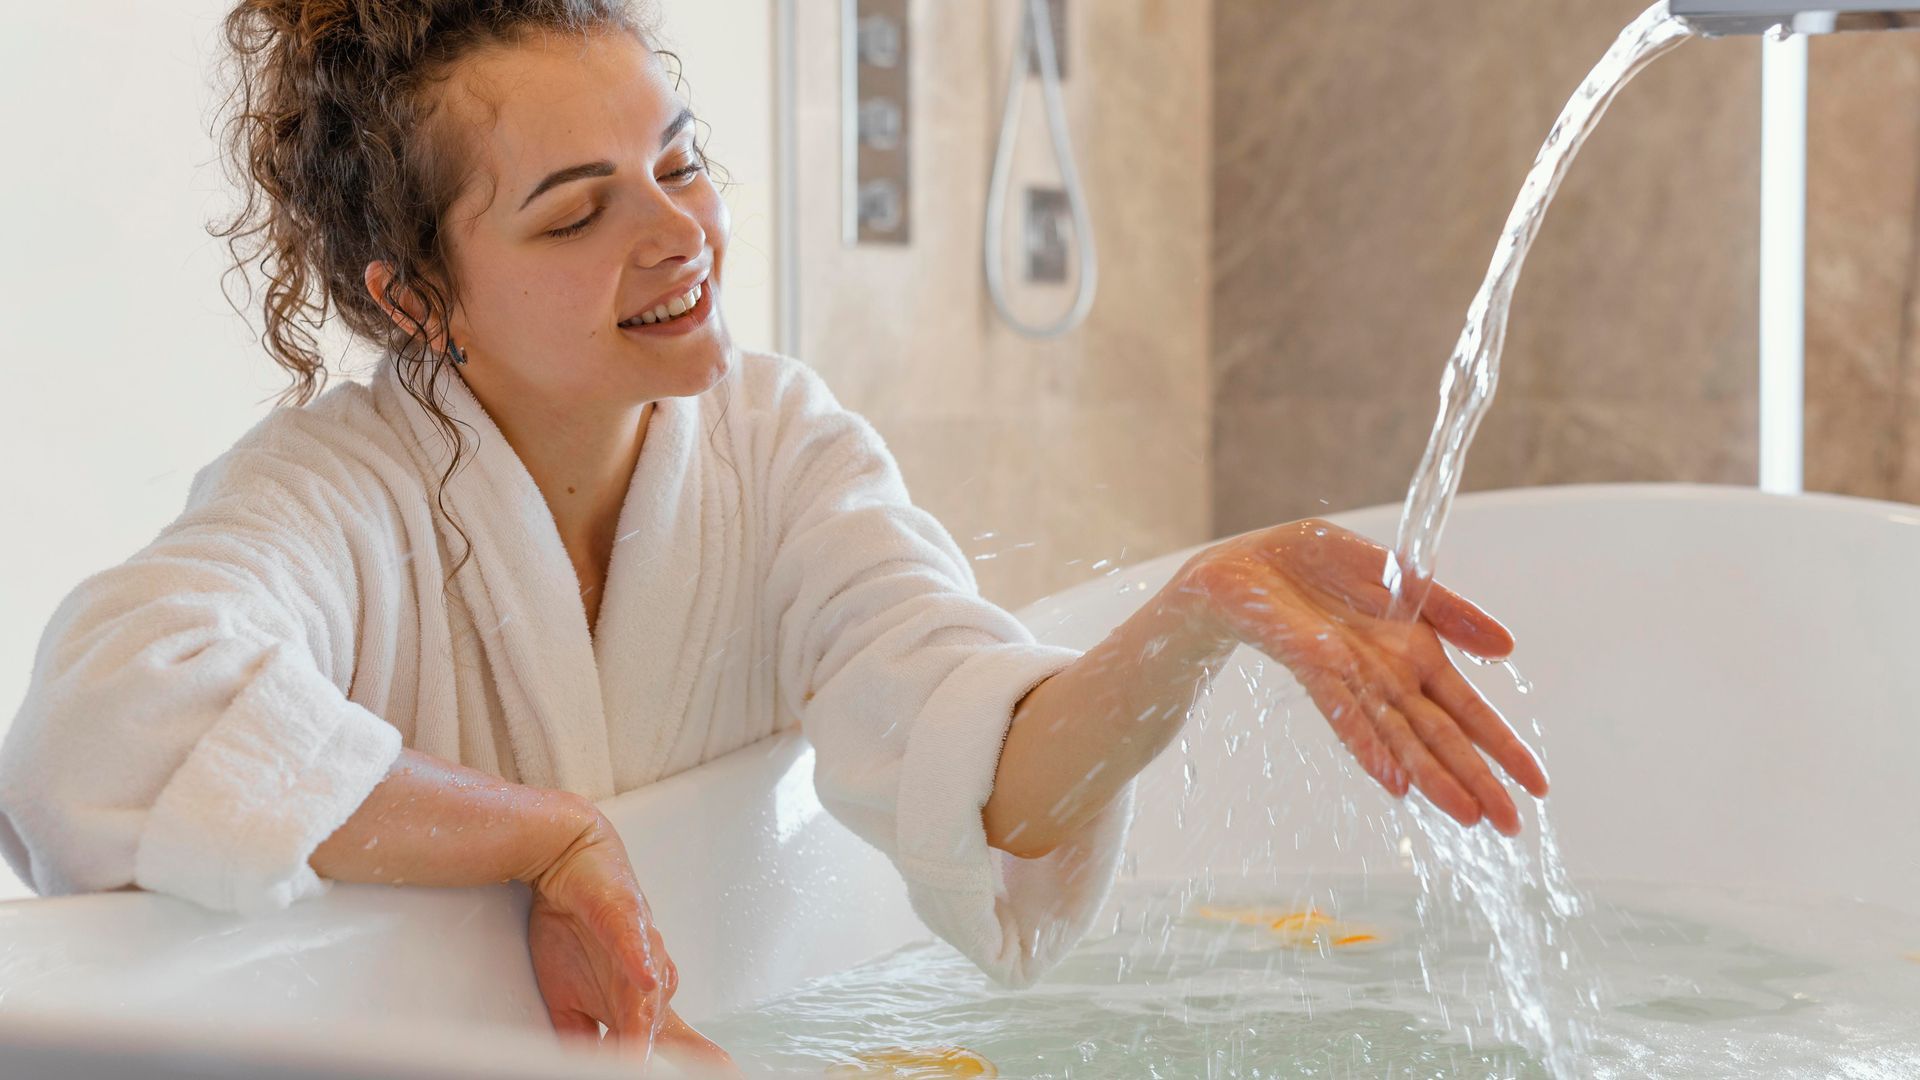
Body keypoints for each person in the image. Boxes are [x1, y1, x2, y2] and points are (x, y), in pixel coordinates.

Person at [0, 0, 1548, 1068]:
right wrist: (544, 836)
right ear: (415, 296)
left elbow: (972, 755)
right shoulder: (340, 493)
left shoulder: (777, 450)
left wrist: (1196, 619)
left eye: (678, 162)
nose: (677, 233)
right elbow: (105, 719)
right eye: (575, 210)